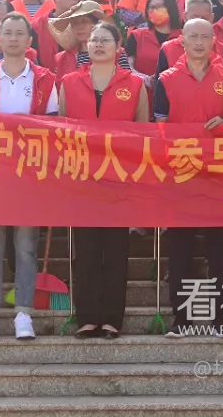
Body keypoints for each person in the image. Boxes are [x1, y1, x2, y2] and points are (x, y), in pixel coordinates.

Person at [0, 13, 57, 341]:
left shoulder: (45, 78)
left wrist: (24, 121)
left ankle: (24, 312)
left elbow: (54, 123)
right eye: (8, 33)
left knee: (25, 246)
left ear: (30, 41)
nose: (14, 38)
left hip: (30, 171)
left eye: (20, 33)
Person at [154, 19, 223, 338]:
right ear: (182, 40)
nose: (199, 42)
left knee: (222, 252)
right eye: (192, 36)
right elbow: (159, 126)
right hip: (181, 176)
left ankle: (222, 319)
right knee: (180, 251)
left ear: (213, 41)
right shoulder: (166, 79)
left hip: (219, 176)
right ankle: (182, 319)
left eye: (205, 37)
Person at [63, 22, 148, 338]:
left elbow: (143, 132)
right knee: (85, 252)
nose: (98, 45)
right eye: (94, 40)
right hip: (82, 179)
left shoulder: (135, 85)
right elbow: (61, 129)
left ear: (118, 46)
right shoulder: (69, 82)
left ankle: (112, 318)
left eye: (105, 40)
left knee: (115, 252)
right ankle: (86, 317)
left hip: (119, 180)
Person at [48, 0, 131, 79]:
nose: (79, 26)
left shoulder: (117, 53)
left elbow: (126, 82)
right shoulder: (62, 58)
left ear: (98, 24)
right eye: (75, 23)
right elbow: (59, 86)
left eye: (84, 21)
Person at [155, 0, 223, 76]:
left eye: (204, 18)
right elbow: (161, 82)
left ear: (211, 18)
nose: (198, 22)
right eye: (194, 18)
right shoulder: (168, 49)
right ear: (185, 17)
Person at [127, 0, 183, 90]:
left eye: (159, 6)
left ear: (171, 8)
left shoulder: (184, 37)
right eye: (151, 7)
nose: (155, 10)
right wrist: (145, 79)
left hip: (176, 93)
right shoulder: (137, 36)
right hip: (143, 93)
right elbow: (127, 66)